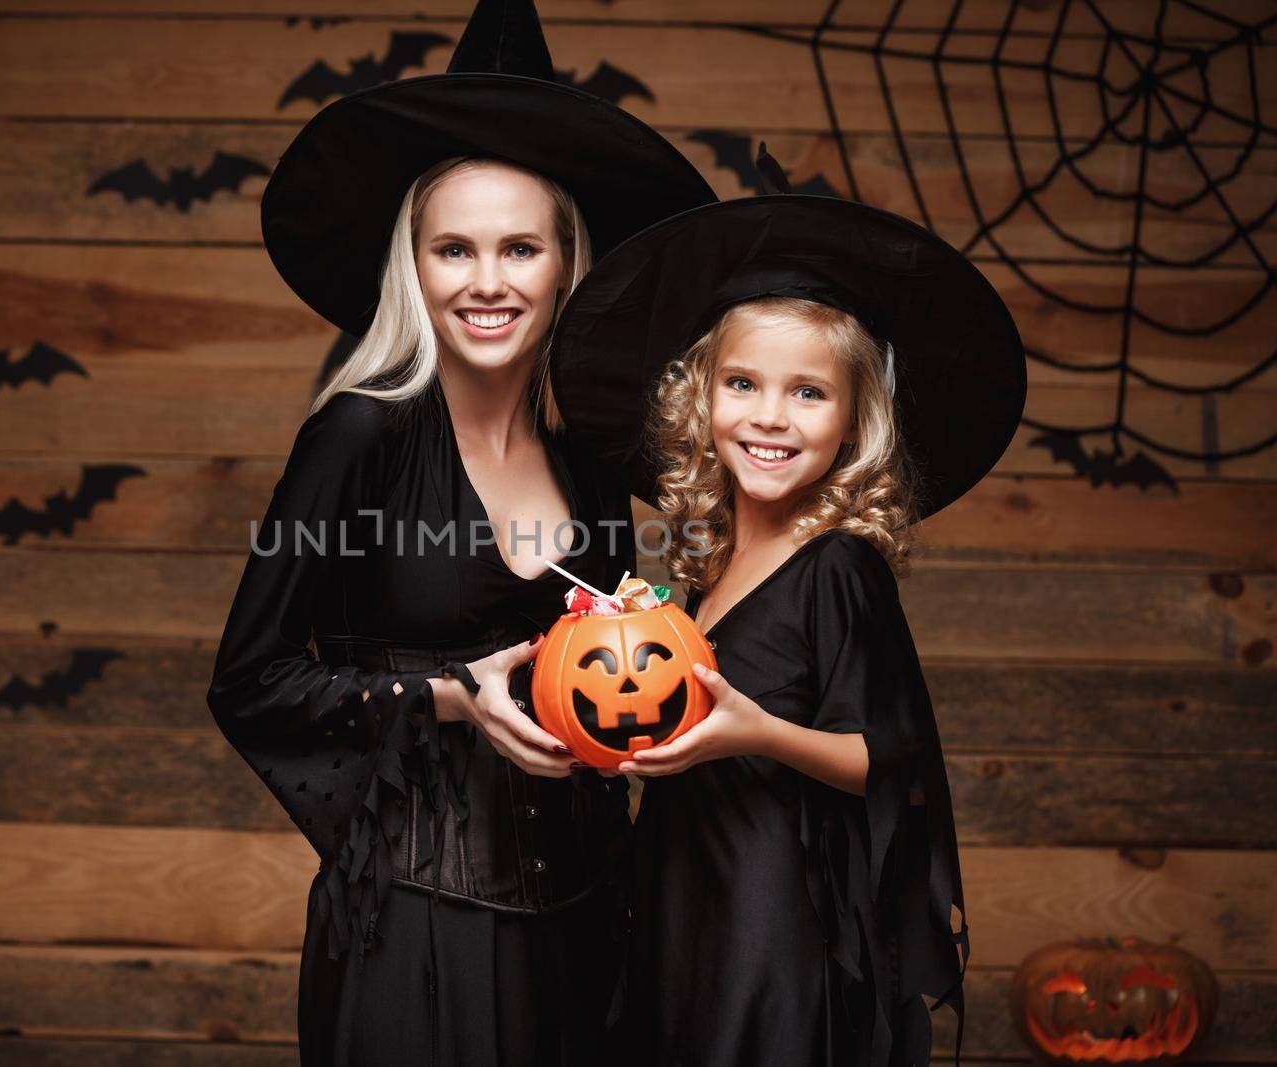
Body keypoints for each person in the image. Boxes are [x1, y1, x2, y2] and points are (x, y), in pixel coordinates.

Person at [206, 2, 715, 1064]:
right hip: (414, 921)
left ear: (566, 263)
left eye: (519, 247)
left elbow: (608, 654)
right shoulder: (357, 436)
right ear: (415, 266)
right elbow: (249, 681)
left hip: (587, 913)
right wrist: (449, 696)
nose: (487, 282)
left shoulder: (587, 456)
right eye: (454, 249)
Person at [549, 147, 1027, 1065]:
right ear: (703, 398)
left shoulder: (838, 567)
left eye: (807, 392)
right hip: (687, 894)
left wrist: (756, 732)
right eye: (744, 385)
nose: (770, 417)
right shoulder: (713, 561)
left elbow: (888, 761)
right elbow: (680, 710)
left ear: (852, 419)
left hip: (773, 915)